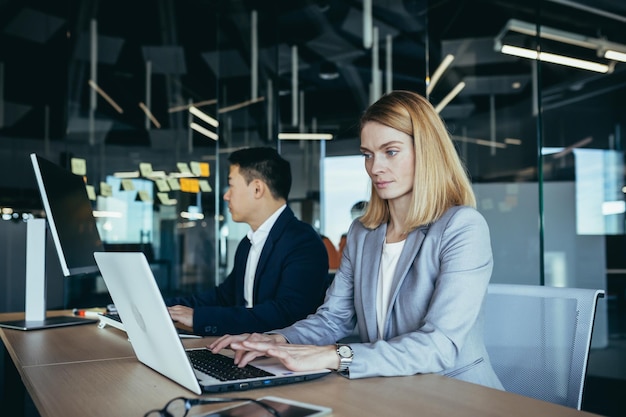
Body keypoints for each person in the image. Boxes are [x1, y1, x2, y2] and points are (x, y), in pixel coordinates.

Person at [210, 91, 504, 390]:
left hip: (456, 393)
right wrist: (275, 340)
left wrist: (336, 355)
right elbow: (332, 319)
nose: (375, 168)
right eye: (368, 154)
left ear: (426, 152)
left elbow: (439, 345)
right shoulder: (363, 234)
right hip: (387, 391)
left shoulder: (462, 227)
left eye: (391, 151)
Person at [166, 147, 329, 336]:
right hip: (246, 351)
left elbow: (287, 314)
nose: (226, 196)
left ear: (257, 189)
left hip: (284, 360)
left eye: (231, 185)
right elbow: (223, 297)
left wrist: (199, 318)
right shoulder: (247, 244)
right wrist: (163, 306)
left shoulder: (303, 242)